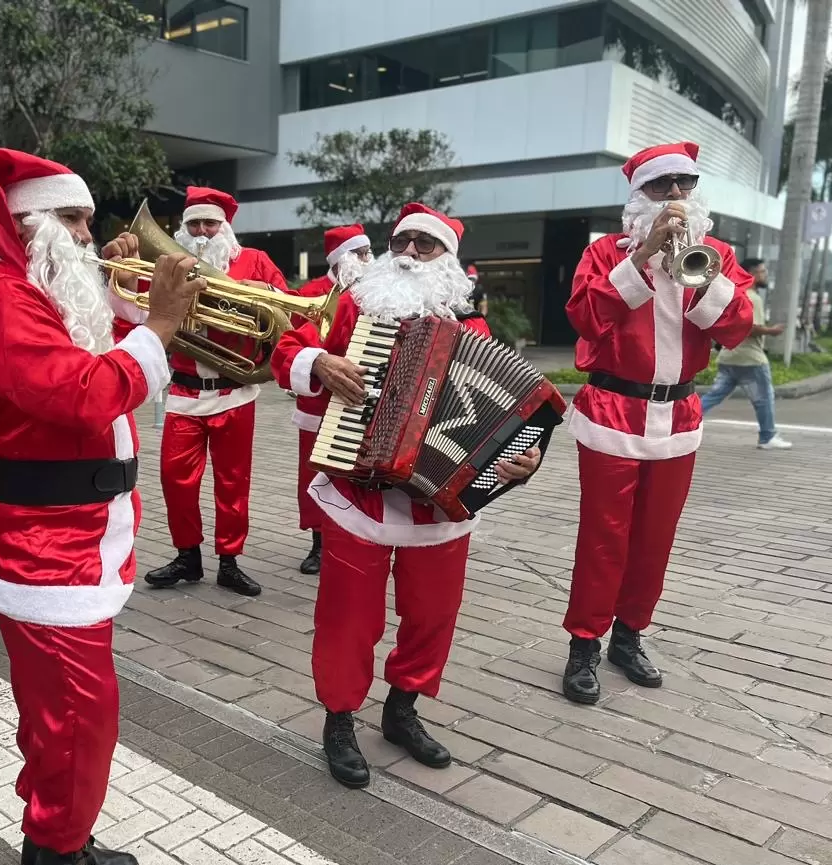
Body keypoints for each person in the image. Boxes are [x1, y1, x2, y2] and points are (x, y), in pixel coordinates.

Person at [0, 148, 193, 865]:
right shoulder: (1, 298)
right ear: (28, 223)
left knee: (59, 713)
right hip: (43, 544)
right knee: (78, 717)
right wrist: (159, 324)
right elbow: (84, 392)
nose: (92, 233)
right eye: (75, 219)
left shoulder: (42, 287)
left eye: (92, 218)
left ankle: (52, 834)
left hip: (77, 537)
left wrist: (114, 291)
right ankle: (59, 861)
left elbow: (89, 347)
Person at [271, 204, 543, 788]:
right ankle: (339, 719)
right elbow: (287, 348)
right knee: (348, 616)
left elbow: (506, 420)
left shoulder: (474, 333)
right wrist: (319, 362)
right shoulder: (352, 306)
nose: (411, 253)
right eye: (404, 242)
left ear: (451, 260)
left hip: (437, 502)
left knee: (432, 617)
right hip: (358, 490)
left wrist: (522, 460)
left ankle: (402, 710)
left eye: (427, 245)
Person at [561, 142, 754, 705]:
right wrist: (643, 256)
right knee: (603, 540)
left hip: (679, 417)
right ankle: (583, 646)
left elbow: (736, 326)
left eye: (683, 184)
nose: (674, 194)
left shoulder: (714, 253)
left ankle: (628, 635)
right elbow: (584, 317)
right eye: (660, 184)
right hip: (613, 415)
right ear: (637, 194)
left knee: (654, 540)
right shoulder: (605, 253)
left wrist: (697, 276)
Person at [143, 186, 289, 598]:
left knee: (232, 482)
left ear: (225, 227)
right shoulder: (169, 262)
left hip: (236, 392)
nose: (203, 231)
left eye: (211, 223)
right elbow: (139, 310)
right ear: (183, 228)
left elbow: (286, 309)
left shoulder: (254, 260)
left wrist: (260, 298)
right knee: (176, 480)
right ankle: (187, 555)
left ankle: (230, 561)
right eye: (195, 223)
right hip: (185, 396)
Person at [292, 224, 371, 574]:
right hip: (318, 403)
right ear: (342, 259)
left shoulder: (378, 294)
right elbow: (294, 339)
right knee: (312, 472)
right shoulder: (313, 293)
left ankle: (360, 533)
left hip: (362, 402)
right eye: (360, 254)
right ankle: (319, 542)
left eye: (368, 252)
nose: (368, 260)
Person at [700, 258, 791, 450]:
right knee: (764, 398)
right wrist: (771, 331)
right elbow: (750, 327)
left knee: (714, 395)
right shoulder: (753, 298)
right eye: (761, 271)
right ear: (751, 274)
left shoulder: (735, 293)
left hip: (728, 356)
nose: (764, 275)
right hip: (751, 359)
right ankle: (767, 436)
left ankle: (683, 422)